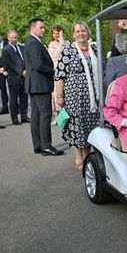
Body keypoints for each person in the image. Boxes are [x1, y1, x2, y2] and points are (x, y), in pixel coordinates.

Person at [55, 21, 100, 170]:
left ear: (88, 33)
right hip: (74, 96)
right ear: (73, 34)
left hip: (94, 97)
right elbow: (59, 75)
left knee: (89, 126)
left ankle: (87, 157)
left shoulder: (95, 48)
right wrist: (59, 96)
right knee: (76, 126)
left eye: (83, 31)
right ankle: (78, 157)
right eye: (78, 31)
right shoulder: (68, 50)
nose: (81, 33)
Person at [24, 18, 63, 156]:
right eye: (41, 27)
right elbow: (38, 65)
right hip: (40, 84)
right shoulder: (33, 43)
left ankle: (39, 145)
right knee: (45, 115)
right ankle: (46, 145)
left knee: (36, 115)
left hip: (36, 84)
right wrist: (54, 71)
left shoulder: (32, 42)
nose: (44, 30)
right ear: (33, 28)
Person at [2, 30, 29, 125]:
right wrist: (22, 72)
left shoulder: (22, 47)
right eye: (12, 37)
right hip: (14, 78)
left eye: (15, 37)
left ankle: (24, 116)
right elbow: (9, 65)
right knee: (13, 99)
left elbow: (26, 60)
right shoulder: (5, 50)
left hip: (25, 77)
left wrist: (27, 71)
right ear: (8, 38)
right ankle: (14, 118)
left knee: (24, 97)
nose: (14, 39)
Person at [48, 25, 69, 125]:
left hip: (66, 71)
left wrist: (62, 41)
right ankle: (56, 115)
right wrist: (60, 42)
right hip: (56, 71)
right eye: (54, 33)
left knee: (65, 92)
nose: (56, 35)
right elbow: (55, 55)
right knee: (56, 94)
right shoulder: (51, 44)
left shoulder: (67, 43)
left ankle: (65, 114)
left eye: (58, 33)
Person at [0, 33, 8, 114]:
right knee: (2, 90)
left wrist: (5, 69)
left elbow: (10, 58)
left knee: (10, 90)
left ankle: (13, 107)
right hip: (0, 71)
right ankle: (4, 107)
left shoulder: (7, 45)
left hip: (7, 70)